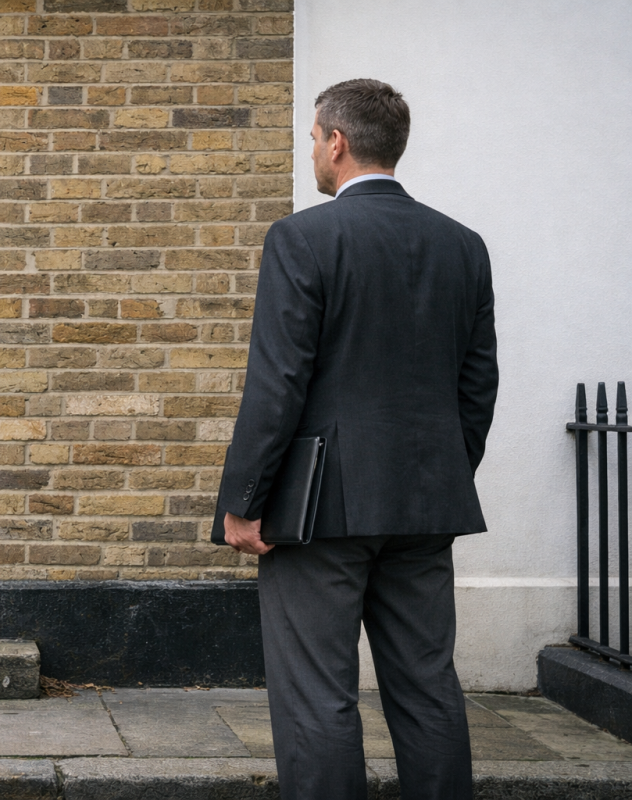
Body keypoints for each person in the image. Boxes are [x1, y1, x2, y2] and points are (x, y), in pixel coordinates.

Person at [216, 79, 498, 800]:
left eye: (313, 136)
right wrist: (438, 473)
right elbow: (477, 387)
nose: (312, 148)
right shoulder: (463, 246)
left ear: (337, 142)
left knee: (316, 695)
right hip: (425, 505)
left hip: (317, 514)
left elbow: (278, 384)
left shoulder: (302, 238)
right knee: (427, 686)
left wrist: (245, 501)